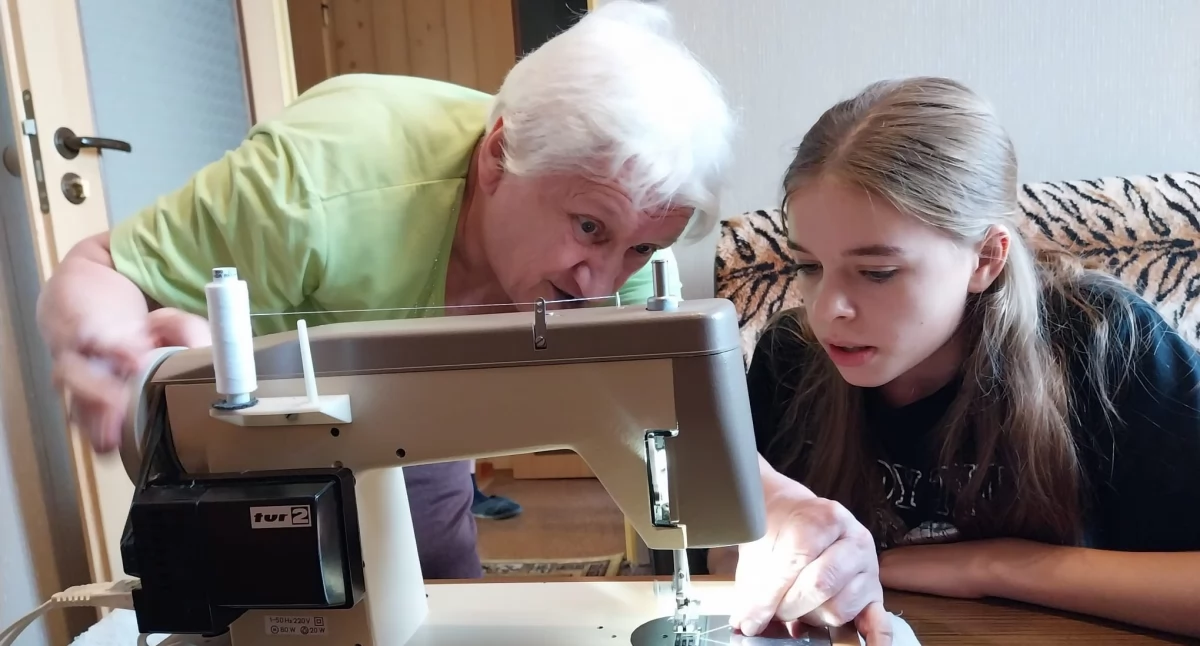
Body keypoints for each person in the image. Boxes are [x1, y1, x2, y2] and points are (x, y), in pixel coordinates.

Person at [36, 1, 730, 582]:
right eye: (587, 229)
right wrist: (116, 353)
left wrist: (780, 504)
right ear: (496, 157)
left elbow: (675, 416)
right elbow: (98, 267)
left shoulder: (626, 226)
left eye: (642, 247)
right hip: (266, 445)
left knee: (439, 564)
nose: (606, 281)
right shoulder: (310, 188)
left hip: (418, 426)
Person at [713, 76, 1200, 639]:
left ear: (986, 259)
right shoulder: (791, 358)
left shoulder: (1104, 340)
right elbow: (724, 556)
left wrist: (993, 564)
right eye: (809, 266)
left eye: (877, 272)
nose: (826, 312)